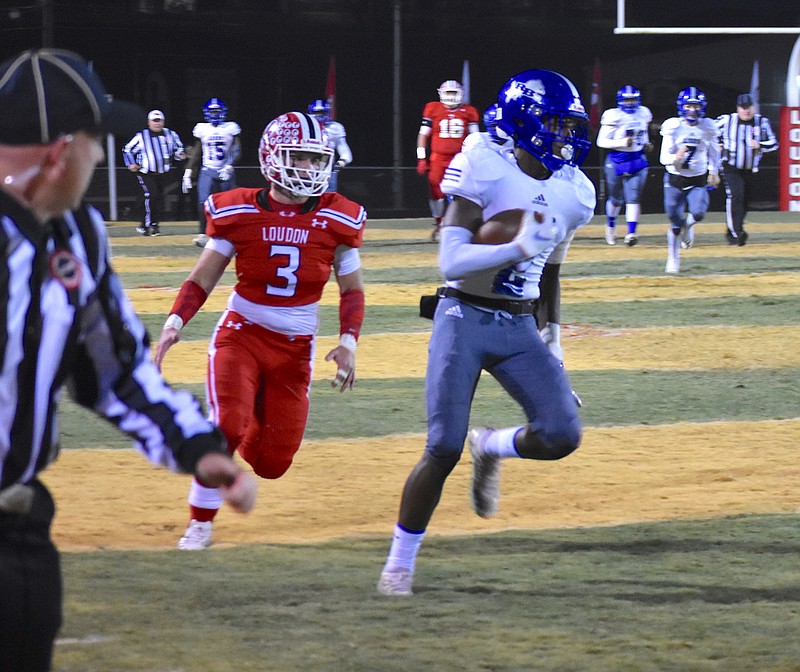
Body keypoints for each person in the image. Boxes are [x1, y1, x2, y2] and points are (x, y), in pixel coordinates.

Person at [0, 49, 256, 672]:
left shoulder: (75, 235)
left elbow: (116, 370)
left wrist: (199, 446)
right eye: (96, 142)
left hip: (15, 526)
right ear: (61, 152)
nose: (101, 157)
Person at [378, 69, 595, 596]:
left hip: (519, 322)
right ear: (524, 120)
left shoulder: (574, 191)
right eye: (555, 125)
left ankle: (494, 446)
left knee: (563, 433)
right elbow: (451, 260)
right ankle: (400, 560)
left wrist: (554, 339)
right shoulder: (483, 162)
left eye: (571, 127)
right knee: (443, 446)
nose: (566, 137)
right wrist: (515, 246)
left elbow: (550, 270)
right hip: (464, 316)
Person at [155, 111, 367, 550]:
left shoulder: (338, 219)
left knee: (272, 463)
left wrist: (348, 341)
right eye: (301, 158)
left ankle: (245, 412)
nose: (311, 168)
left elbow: (352, 291)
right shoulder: (239, 209)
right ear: (272, 158)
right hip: (243, 334)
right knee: (227, 424)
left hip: (295, 350)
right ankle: (200, 522)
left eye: (316, 159)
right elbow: (202, 277)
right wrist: (174, 324)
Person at [659, 86, 721, 273]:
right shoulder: (673, 126)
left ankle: (688, 225)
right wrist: (675, 157)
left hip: (697, 178)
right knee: (674, 219)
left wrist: (714, 171)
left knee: (699, 213)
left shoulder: (708, 127)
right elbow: (663, 157)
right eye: (688, 106)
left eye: (695, 106)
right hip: (675, 179)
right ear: (681, 106)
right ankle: (673, 258)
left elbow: (714, 151)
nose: (692, 110)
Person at [416, 80, 480, 242]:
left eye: (454, 93)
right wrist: (421, 157)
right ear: (441, 94)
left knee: (460, 192)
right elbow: (423, 134)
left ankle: (457, 224)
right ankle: (439, 222)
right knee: (435, 191)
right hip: (438, 157)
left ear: (460, 94)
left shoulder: (469, 111)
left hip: (460, 157)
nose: (451, 97)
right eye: (448, 93)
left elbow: (476, 138)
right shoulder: (433, 108)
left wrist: (476, 157)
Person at [716, 93, 778, 246]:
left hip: (750, 169)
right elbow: (709, 132)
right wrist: (718, 143)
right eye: (743, 108)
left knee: (744, 201)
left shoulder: (762, 122)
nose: (746, 111)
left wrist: (760, 145)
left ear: (753, 107)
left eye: (748, 107)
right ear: (738, 108)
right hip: (731, 166)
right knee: (736, 195)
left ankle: (733, 232)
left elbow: (774, 143)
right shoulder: (727, 120)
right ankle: (738, 232)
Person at [596, 85, 653, 246]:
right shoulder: (613, 115)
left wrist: (646, 144)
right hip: (617, 160)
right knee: (616, 198)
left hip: (637, 159)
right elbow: (601, 141)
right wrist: (622, 142)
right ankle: (611, 226)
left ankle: (631, 233)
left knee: (633, 198)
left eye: (632, 100)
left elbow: (644, 132)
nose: (629, 103)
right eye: (626, 100)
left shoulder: (643, 113)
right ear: (620, 101)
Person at [182, 97, 241, 247]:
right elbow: (197, 152)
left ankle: (229, 232)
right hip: (208, 169)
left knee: (228, 203)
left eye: (217, 111)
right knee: (203, 202)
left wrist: (230, 165)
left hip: (225, 170)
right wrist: (188, 171)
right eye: (212, 111)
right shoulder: (202, 128)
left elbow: (237, 150)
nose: (215, 114)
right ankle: (203, 233)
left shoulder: (231, 128)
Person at [122, 109, 186, 236]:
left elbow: (178, 149)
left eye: (159, 121)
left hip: (162, 173)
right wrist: (131, 163)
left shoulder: (170, 134)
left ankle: (146, 224)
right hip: (146, 172)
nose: (157, 124)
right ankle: (151, 225)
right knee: (151, 195)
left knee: (157, 199)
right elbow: (127, 149)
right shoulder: (142, 136)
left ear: (163, 122)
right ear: (149, 122)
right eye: (154, 121)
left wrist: (181, 155)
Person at [308, 98, 352, 192]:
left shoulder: (335, 128)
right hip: (308, 167)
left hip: (327, 169)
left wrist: (339, 164)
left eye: (322, 112)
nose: (319, 116)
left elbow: (346, 153)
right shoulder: (306, 127)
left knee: (328, 198)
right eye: (317, 113)